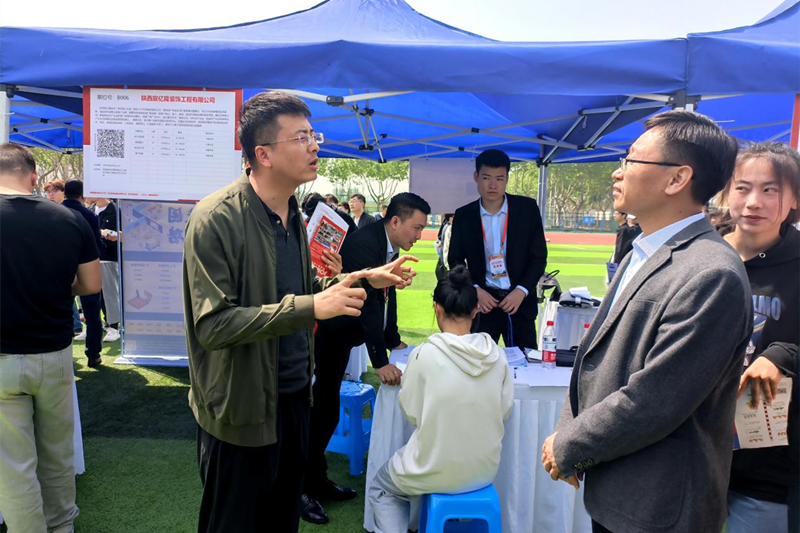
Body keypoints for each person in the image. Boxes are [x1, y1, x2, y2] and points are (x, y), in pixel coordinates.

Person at [183, 91, 414, 533]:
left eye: (314, 135)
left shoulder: (293, 214)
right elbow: (213, 325)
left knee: (281, 521)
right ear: (263, 154)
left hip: (293, 397)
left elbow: (304, 289)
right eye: (302, 137)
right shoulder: (216, 218)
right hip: (240, 409)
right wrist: (311, 307)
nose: (315, 146)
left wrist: (363, 278)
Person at [542, 110, 752, 533]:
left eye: (631, 160)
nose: (618, 172)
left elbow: (655, 400)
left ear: (677, 179)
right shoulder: (640, 252)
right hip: (618, 492)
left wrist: (570, 445)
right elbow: (595, 357)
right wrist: (569, 435)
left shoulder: (712, 273)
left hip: (660, 506)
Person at [302, 192, 426, 524]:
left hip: (342, 336)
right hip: (328, 335)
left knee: (326, 411)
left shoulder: (388, 244)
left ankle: (316, 479)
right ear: (396, 221)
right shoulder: (365, 244)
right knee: (319, 412)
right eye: (417, 227)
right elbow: (369, 304)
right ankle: (303, 487)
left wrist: (393, 339)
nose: (419, 235)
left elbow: (387, 295)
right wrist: (380, 361)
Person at [0, 143, 101, 533]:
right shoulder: (68, 219)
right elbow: (91, 284)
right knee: (57, 456)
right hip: (54, 353)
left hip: (2, 358)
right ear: (32, 176)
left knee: (14, 465)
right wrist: (59, 288)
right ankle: (62, 527)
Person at [368, 265, 514, 533]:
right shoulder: (497, 355)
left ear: (436, 308)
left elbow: (411, 412)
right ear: (475, 310)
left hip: (431, 467)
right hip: (483, 471)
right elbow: (504, 410)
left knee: (381, 487)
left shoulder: (424, 355)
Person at [717, 142, 800, 533]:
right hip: (692, 454)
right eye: (742, 187)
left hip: (768, 469)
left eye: (770, 190)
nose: (754, 202)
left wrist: (783, 356)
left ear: (794, 199)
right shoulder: (702, 255)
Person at [448, 149, 547, 350]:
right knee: (477, 362)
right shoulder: (464, 215)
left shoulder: (527, 209)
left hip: (519, 304)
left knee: (525, 362)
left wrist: (522, 291)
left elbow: (538, 257)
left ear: (507, 179)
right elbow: (455, 260)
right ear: (476, 177)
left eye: (499, 179)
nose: (492, 185)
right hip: (483, 305)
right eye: (486, 178)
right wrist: (475, 289)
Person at [63, 180, 105, 368]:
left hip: (61, 269)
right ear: (83, 194)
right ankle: (93, 354)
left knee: (63, 314)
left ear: (64, 193)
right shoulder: (89, 215)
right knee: (92, 314)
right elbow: (97, 247)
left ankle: (64, 355)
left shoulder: (55, 212)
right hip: (87, 268)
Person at [89, 197, 121, 342]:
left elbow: (120, 235)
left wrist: (106, 235)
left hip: (109, 257)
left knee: (110, 293)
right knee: (95, 293)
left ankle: (114, 326)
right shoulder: (90, 210)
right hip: (91, 258)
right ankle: (102, 324)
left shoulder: (115, 210)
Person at [434, 213, 454, 281]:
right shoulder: (449, 228)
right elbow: (447, 249)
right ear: (451, 218)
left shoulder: (446, 225)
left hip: (445, 263)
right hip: (448, 265)